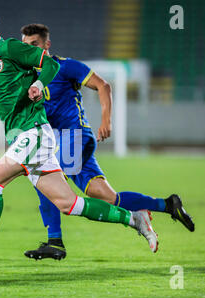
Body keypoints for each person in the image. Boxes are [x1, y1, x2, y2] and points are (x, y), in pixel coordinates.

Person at [0, 11, 159, 275]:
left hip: (34, 133)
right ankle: (134, 218)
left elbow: (51, 65)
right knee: (70, 204)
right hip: (24, 138)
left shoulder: (12, 48)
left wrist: (38, 83)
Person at [20, 23, 195, 261]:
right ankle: (167, 205)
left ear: (46, 45)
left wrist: (106, 121)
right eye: (25, 46)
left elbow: (103, 86)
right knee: (106, 195)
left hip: (75, 135)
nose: (29, 49)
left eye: (35, 44)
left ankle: (55, 241)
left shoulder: (66, 66)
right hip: (58, 142)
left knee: (43, 176)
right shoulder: (27, 77)